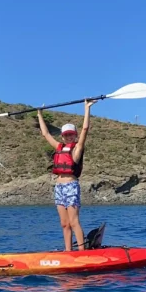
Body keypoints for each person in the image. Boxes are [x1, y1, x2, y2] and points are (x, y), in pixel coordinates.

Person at [37, 99, 96, 251]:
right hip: (59, 187)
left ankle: (82, 252)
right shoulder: (59, 147)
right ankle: (68, 252)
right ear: (62, 137)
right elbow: (45, 134)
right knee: (64, 223)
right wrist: (39, 114)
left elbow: (85, 128)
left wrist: (87, 108)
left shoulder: (77, 148)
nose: (69, 137)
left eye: (71, 134)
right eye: (66, 135)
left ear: (75, 136)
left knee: (74, 221)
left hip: (71, 186)